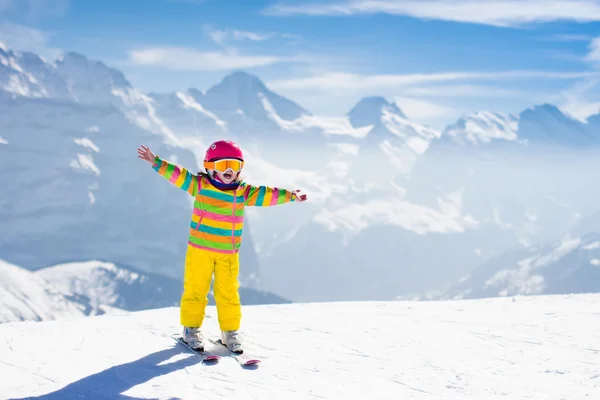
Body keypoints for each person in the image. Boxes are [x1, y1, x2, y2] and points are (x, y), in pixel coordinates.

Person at [137, 140, 307, 353]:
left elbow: (267, 194)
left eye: (235, 166)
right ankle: (191, 329)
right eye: (223, 164)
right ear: (210, 166)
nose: (229, 170)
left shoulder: (242, 192)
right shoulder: (200, 185)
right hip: (200, 250)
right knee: (196, 290)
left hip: (228, 254)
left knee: (228, 293)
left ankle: (230, 332)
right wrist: (157, 162)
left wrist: (290, 195)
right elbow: (180, 176)